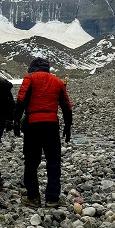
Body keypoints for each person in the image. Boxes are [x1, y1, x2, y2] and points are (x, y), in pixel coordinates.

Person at [13, 57, 72, 207]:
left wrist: (16, 121)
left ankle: (33, 197)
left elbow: (21, 100)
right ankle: (52, 198)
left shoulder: (30, 78)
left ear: (32, 67)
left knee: (31, 162)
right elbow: (66, 106)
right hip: (51, 125)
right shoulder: (57, 81)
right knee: (53, 161)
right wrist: (68, 126)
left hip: (33, 125)